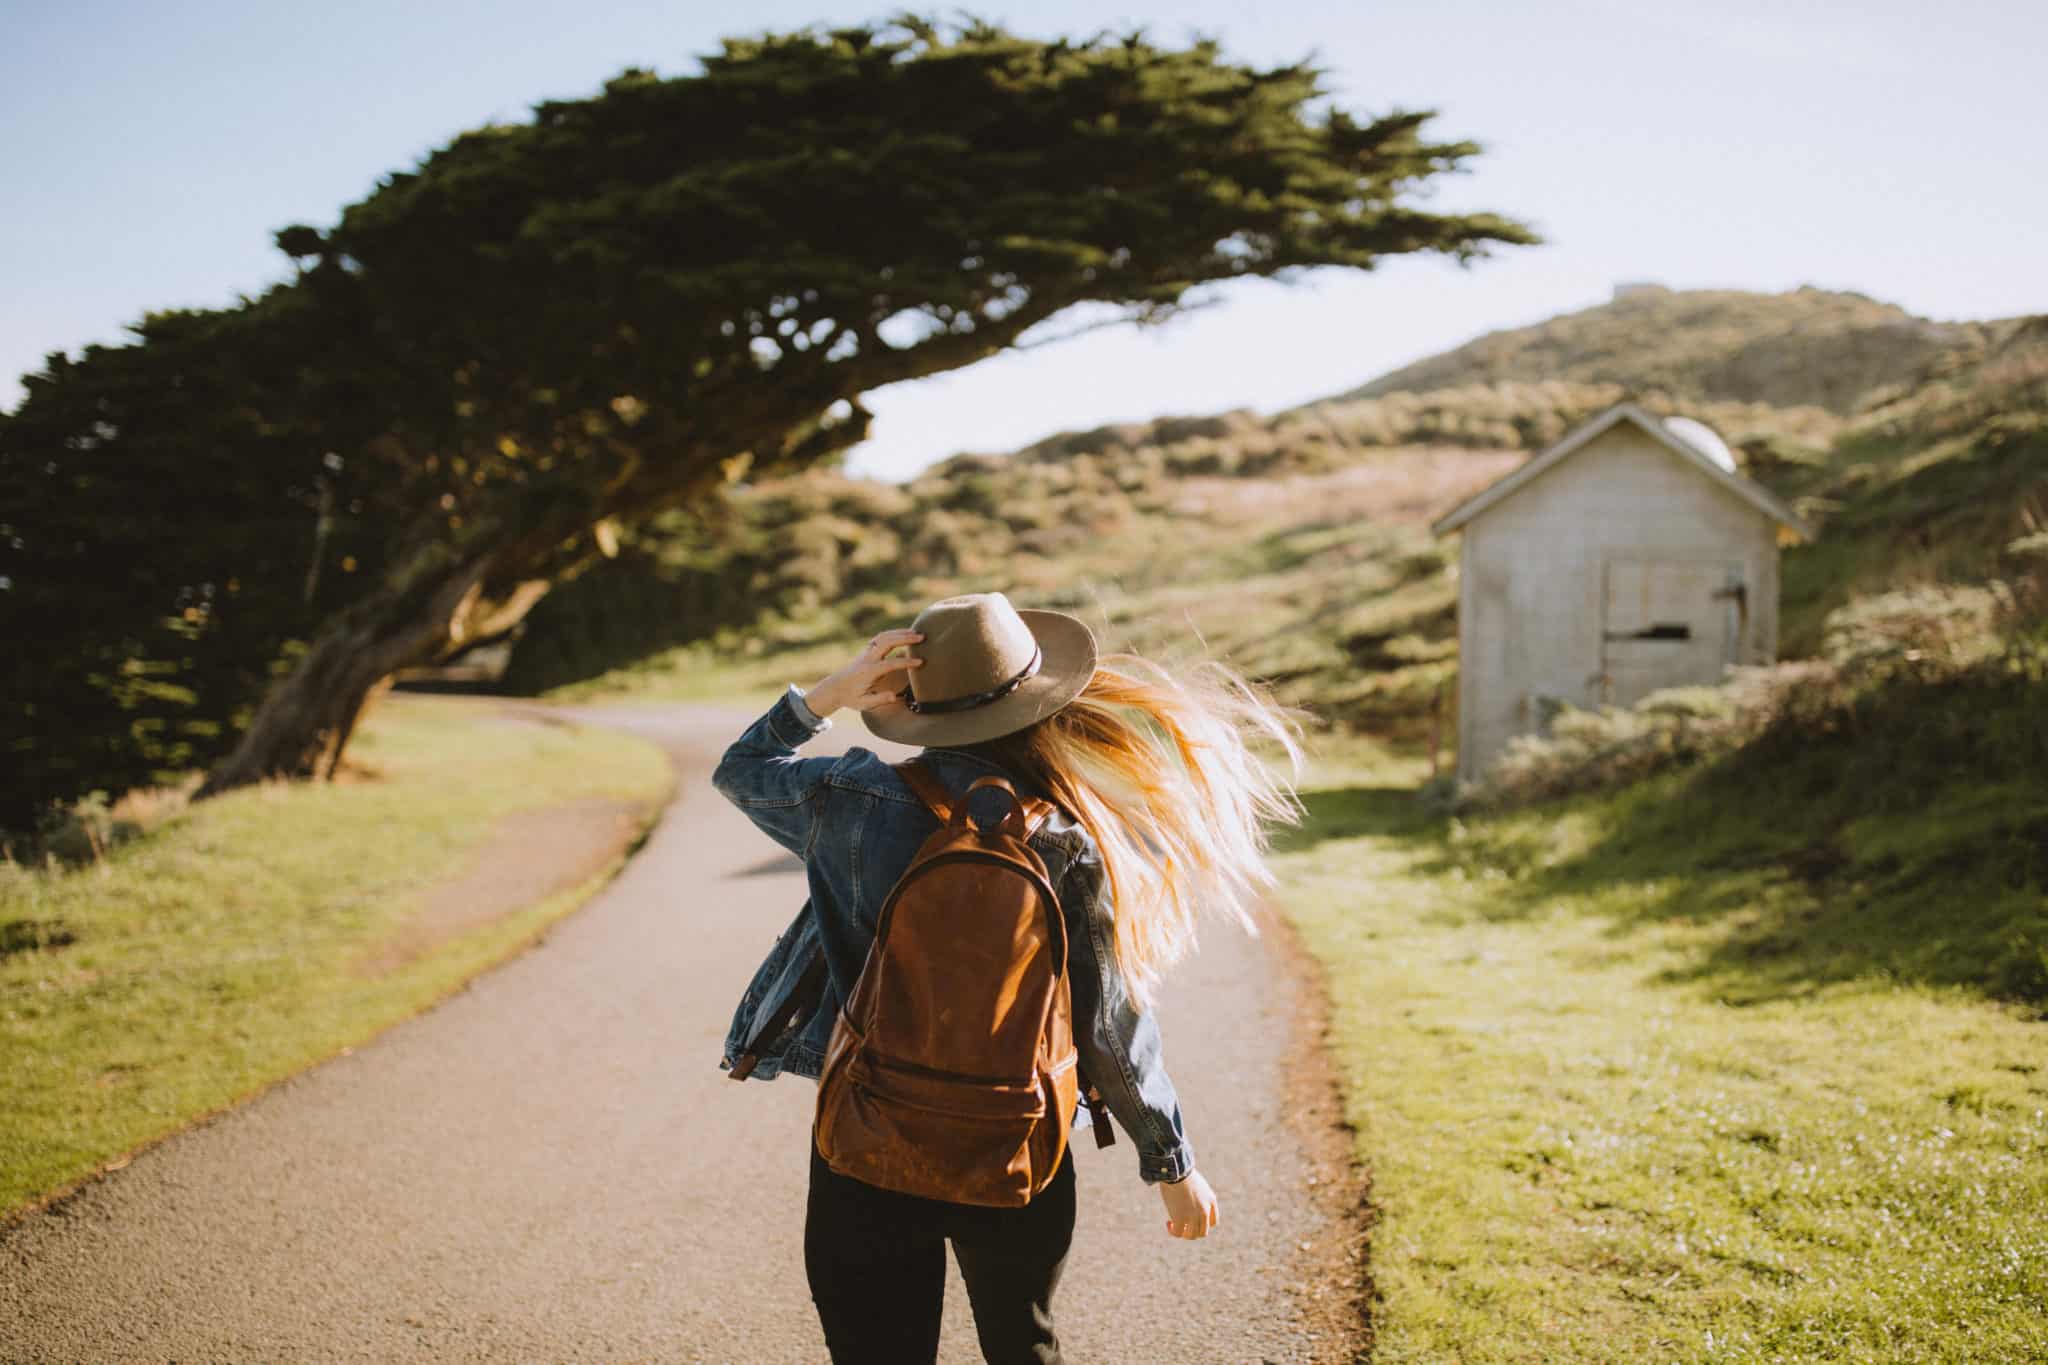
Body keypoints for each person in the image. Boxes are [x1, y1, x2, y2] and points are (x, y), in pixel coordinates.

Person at [711, 591, 1305, 1364]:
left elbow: (743, 768)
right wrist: (1171, 1163)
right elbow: (1107, 1025)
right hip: (1018, 1138)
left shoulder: (846, 799)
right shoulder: (1064, 839)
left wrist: (833, 691)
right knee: (1023, 1347)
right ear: (1037, 705)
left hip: (868, 1134)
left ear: (917, 706)